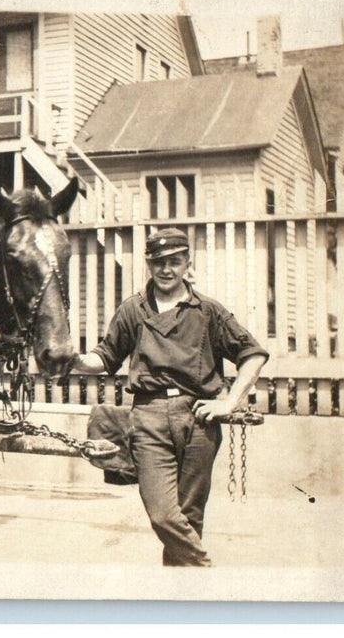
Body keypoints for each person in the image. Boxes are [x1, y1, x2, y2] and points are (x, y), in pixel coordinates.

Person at [71, 228, 268, 566]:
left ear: (187, 264)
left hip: (199, 419)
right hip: (148, 419)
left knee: (189, 518)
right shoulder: (133, 309)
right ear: (149, 263)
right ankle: (205, 571)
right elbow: (104, 358)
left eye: (175, 262)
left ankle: (182, 594)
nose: (166, 269)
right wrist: (73, 360)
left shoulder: (207, 310)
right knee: (164, 515)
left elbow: (253, 354)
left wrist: (230, 402)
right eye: (159, 262)